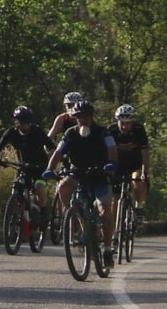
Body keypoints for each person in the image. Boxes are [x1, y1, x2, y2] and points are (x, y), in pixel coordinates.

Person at [47, 101, 121, 256]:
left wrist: (112, 164)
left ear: (91, 117)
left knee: (105, 212)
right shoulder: (71, 134)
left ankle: (107, 249)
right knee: (63, 187)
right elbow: (58, 152)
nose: (83, 120)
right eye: (79, 118)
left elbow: (112, 148)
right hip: (77, 172)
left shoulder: (103, 132)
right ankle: (74, 214)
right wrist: (49, 169)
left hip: (99, 174)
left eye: (86, 117)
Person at [108, 104, 152, 215]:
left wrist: (144, 172)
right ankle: (114, 230)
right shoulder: (111, 130)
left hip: (135, 164)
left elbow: (145, 153)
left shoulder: (139, 130)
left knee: (138, 179)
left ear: (132, 122)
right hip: (117, 166)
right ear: (117, 121)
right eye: (122, 123)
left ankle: (139, 206)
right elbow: (104, 153)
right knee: (115, 201)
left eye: (128, 123)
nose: (124, 126)